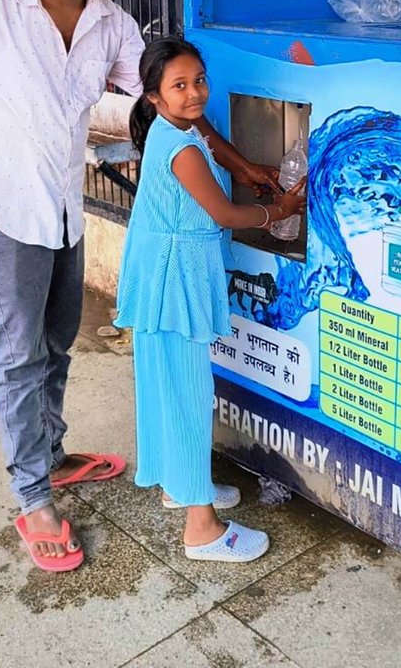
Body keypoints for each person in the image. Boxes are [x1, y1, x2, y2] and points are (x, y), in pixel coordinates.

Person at [0, 0, 277, 574]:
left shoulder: (110, 25)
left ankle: (50, 456)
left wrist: (241, 164)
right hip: (3, 208)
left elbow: (170, 101)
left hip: (60, 208)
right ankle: (33, 499)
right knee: (21, 354)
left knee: (56, 343)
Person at [115, 37, 305, 563]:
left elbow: (210, 138)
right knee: (187, 390)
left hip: (164, 269)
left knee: (169, 382)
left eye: (199, 80)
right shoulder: (178, 150)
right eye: (179, 86)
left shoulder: (172, 125)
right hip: (173, 279)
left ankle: (182, 483)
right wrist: (279, 210)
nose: (195, 93)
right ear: (154, 95)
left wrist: (246, 168)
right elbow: (225, 214)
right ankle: (201, 528)